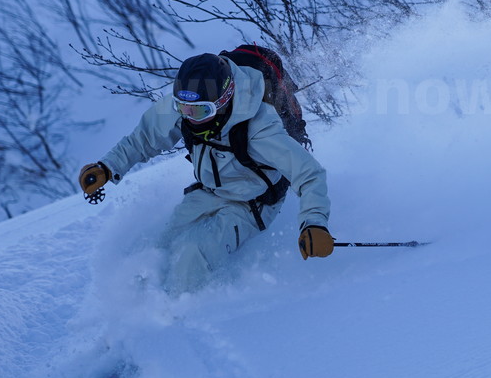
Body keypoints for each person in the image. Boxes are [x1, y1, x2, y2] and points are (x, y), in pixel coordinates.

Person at [78, 52, 334, 295]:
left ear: (223, 101)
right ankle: (135, 303)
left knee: (193, 252)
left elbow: (309, 173)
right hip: (211, 191)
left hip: (253, 202)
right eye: (182, 108)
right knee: (157, 247)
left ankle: (176, 316)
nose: (189, 118)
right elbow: (143, 139)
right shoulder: (190, 104)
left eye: (200, 111)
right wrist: (107, 167)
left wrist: (314, 222)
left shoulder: (259, 126)